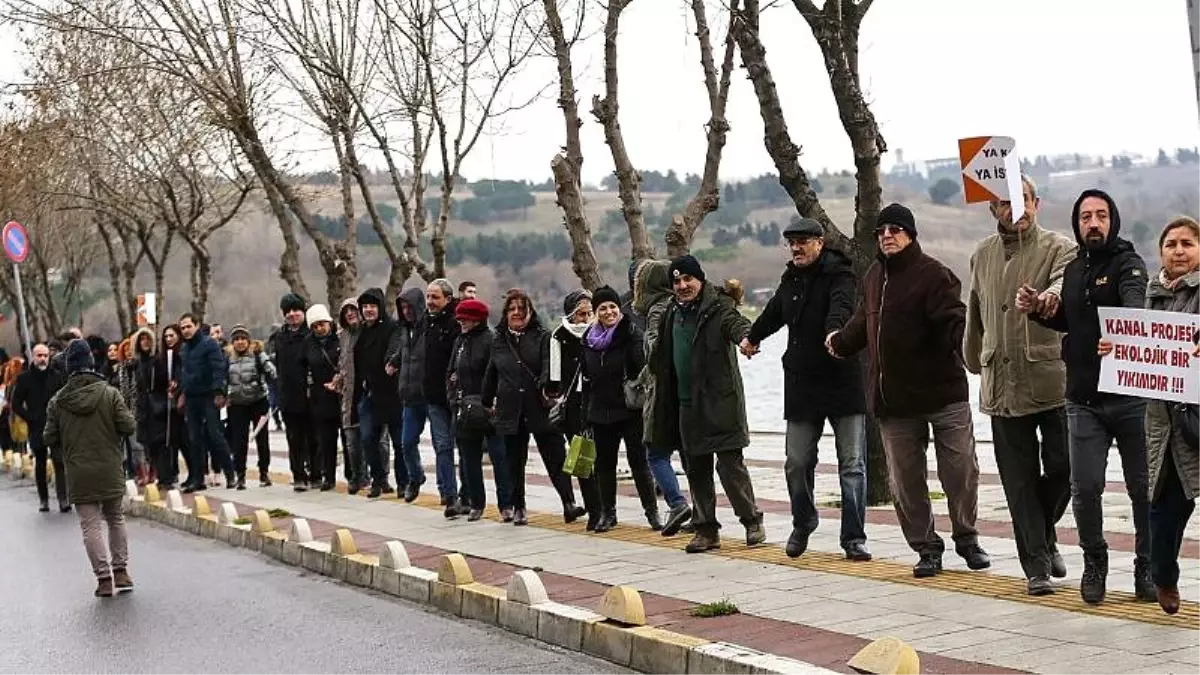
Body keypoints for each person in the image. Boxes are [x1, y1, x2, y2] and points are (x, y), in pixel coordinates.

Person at [829, 204, 990, 578]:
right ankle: (927, 547)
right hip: (895, 403)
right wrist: (839, 342)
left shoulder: (935, 275)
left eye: (896, 229)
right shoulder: (872, 277)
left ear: (911, 235)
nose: (887, 235)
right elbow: (860, 323)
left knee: (961, 471)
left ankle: (966, 537)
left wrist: (973, 353)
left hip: (944, 396)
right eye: (882, 230)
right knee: (905, 482)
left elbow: (956, 322)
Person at [1023, 189, 1152, 605]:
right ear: (1077, 225)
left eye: (1100, 216)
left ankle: (1146, 565)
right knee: (1085, 488)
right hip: (1082, 399)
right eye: (1084, 218)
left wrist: (1122, 331)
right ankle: (1094, 560)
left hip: (1130, 399)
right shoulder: (1075, 269)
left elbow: (1134, 308)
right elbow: (1070, 320)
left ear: (1112, 219)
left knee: (1142, 489)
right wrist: (1040, 310)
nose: (1092, 223)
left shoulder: (1129, 264)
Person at [964, 177, 1075, 596]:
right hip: (1001, 382)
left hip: (1051, 378)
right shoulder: (982, 254)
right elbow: (975, 311)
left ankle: (1044, 533)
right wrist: (973, 358)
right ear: (994, 210)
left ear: (1036, 203)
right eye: (1005, 203)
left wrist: (1048, 299)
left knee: (1066, 467)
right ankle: (1036, 566)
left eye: (1023, 200)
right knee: (1019, 479)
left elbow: (1063, 286)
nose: (1016, 208)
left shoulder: (1059, 247)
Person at [744, 217, 871, 562]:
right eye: (792, 242)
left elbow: (841, 307)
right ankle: (804, 520)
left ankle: (854, 538)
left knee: (852, 465)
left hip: (842, 380)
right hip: (802, 383)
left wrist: (834, 333)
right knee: (796, 462)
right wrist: (753, 337)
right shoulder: (791, 279)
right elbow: (774, 312)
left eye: (803, 241)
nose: (797, 248)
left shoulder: (840, 274)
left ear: (820, 241)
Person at [647, 255, 765, 553]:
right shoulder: (671, 314)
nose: (683, 286)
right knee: (697, 469)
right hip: (686, 406)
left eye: (688, 279)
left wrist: (747, 340)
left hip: (720, 402)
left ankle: (752, 521)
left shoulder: (718, 307)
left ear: (700, 280)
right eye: (677, 281)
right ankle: (706, 529)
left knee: (730, 466)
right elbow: (660, 357)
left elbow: (737, 324)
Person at [1132, 217, 1200, 615]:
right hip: (1167, 423)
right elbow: (1135, 346)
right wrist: (1116, 349)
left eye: (1187, 243)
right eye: (1171, 244)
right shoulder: (1148, 296)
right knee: (1165, 507)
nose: (1178, 250)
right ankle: (1164, 576)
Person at [483, 288, 586, 526]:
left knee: (556, 456)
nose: (517, 313)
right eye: (512, 309)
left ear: (530, 311)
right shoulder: (498, 340)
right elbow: (491, 372)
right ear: (506, 313)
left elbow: (550, 366)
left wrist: (548, 387)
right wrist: (487, 402)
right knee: (514, 461)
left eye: (522, 309)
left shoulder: (543, 336)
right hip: (510, 408)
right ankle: (519, 507)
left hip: (538, 405)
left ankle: (568, 503)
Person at [44, 339, 137, 598]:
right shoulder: (109, 394)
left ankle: (104, 579)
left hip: (78, 471)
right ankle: (121, 571)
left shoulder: (58, 402)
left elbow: (48, 437)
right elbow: (129, 426)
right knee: (115, 518)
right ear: (91, 363)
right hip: (109, 466)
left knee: (90, 525)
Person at [581, 285, 660, 531]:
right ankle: (608, 513)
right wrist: (585, 414)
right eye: (602, 308)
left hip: (629, 409)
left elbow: (644, 370)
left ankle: (652, 512)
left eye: (613, 306)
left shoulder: (632, 334)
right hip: (600, 410)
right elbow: (585, 378)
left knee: (639, 462)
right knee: (604, 464)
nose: (608, 312)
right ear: (596, 312)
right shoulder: (587, 340)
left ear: (619, 309)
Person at [632, 258, 693, 537]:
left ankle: (677, 503)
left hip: (663, 393)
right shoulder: (680, 305)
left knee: (655, 452)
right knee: (688, 451)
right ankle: (704, 512)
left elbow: (655, 350)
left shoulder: (657, 309)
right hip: (683, 391)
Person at [394, 281, 459, 513]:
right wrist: (393, 362)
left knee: (442, 445)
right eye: (402, 308)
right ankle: (416, 476)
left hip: (430, 393)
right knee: (407, 442)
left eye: (410, 306)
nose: (407, 311)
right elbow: (403, 352)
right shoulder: (403, 330)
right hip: (409, 395)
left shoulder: (428, 325)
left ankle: (448, 491)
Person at [543, 290, 603, 529]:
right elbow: (555, 377)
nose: (586, 318)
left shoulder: (600, 332)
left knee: (602, 458)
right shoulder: (560, 335)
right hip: (573, 404)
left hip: (598, 400)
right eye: (581, 314)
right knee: (582, 457)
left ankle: (607, 508)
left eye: (589, 313)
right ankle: (594, 510)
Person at [447, 299, 512, 520]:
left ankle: (506, 505)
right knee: (469, 460)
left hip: (490, 408)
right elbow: (451, 373)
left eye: (465, 319)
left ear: (477, 320)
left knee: (499, 458)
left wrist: (494, 400)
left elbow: (500, 373)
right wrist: (453, 398)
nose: (461, 323)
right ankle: (476, 503)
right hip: (464, 409)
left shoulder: (492, 340)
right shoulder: (460, 341)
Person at [355, 287, 410, 498]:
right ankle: (378, 479)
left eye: (372, 306)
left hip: (393, 393)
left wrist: (390, 362)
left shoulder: (393, 328)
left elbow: (396, 349)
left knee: (399, 442)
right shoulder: (361, 332)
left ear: (380, 308)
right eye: (365, 306)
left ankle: (404, 483)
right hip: (370, 394)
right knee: (368, 438)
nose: (368, 310)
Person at [177, 313, 236, 492]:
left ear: (196, 325)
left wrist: (219, 391)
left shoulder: (209, 344)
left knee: (215, 434)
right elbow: (184, 374)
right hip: (192, 396)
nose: (186, 330)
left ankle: (230, 473)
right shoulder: (184, 349)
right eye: (183, 328)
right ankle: (197, 478)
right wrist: (182, 393)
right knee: (194, 438)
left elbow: (219, 368)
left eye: (188, 326)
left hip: (209, 395)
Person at [12, 343, 67, 513]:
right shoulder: (24, 378)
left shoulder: (57, 376)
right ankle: (43, 499)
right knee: (41, 463)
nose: (43, 359)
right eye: (39, 356)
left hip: (55, 426)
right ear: (33, 357)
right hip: (36, 427)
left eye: (45, 356)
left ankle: (63, 499)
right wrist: (30, 418)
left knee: (59, 462)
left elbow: (64, 399)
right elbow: (16, 404)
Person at [273, 293, 317, 491]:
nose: (292, 314)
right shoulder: (280, 338)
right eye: (288, 311)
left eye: (296, 310)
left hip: (310, 394)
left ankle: (316, 474)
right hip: (288, 396)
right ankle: (298, 475)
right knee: (294, 438)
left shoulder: (311, 334)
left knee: (313, 437)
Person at [226, 325, 276, 489]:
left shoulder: (257, 354)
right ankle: (240, 475)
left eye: (243, 339)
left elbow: (271, 370)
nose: (240, 342)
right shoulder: (228, 358)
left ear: (248, 340)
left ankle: (264, 472)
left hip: (258, 401)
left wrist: (272, 372)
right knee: (239, 442)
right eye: (236, 340)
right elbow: (222, 378)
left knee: (262, 440)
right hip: (237, 404)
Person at [303, 304, 341, 491]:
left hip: (341, 394)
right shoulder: (308, 344)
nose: (319, 328)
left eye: (322, 324)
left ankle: (353, 475)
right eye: (315, 325)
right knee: (326, 440)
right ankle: (329, 476)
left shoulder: (340, 339)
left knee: (349, 439)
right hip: (321, 396)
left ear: (329, 323)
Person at [336, 298, 367, 494]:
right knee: (351, 441)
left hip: (366, 391)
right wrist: (338, 379)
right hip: (348, 393)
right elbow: (342, 363)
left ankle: (380, 477)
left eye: (353, 309)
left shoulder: (367, 332)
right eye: (346, 311)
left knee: (375, 439)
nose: (350, 313)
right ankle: (357, 476)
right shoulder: (343, 336)